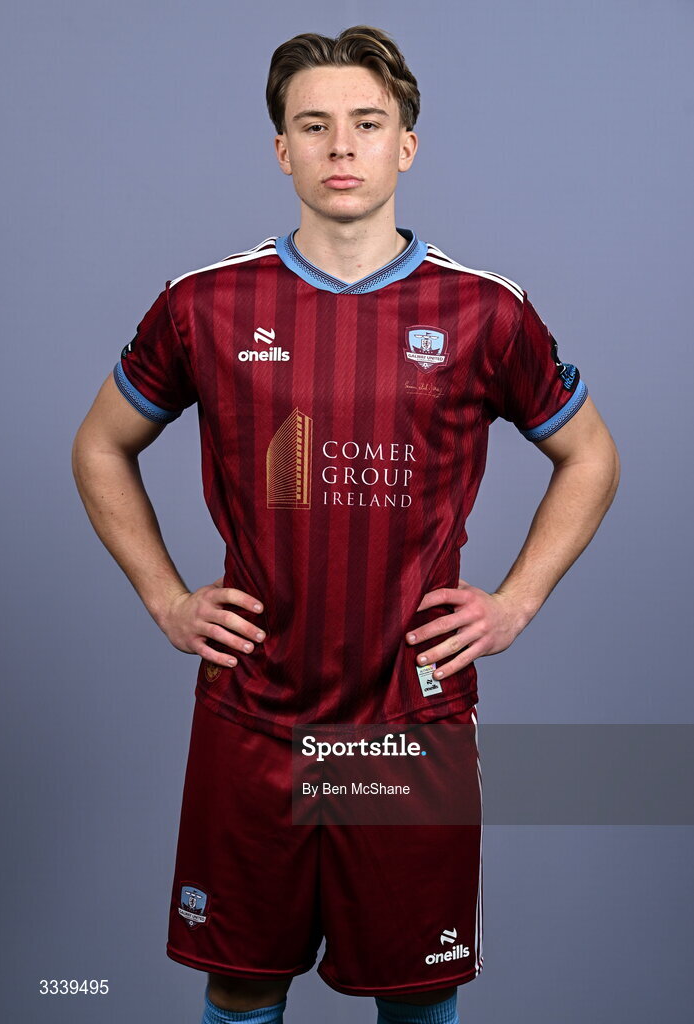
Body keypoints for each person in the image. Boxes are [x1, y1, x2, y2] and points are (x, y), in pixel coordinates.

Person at [72, 24, 620, 1024]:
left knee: (416, 993)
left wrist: (516, 600)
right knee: (242, 979)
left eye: (366, 124)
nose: (340, 147)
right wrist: (166, 595)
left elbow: (591, 454)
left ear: (405, 143)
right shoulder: (204, 305)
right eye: (313, 125)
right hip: (255, 714)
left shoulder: (484, 312)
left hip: (405, 725)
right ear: (281, 148)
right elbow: (99, 444)